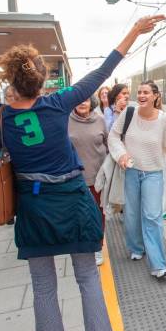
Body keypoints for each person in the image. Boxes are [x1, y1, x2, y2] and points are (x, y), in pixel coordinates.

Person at [0, 15, 164, 331]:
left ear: (11, 80)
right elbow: (103, 71)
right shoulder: (57, 104)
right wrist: (134, 30)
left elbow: (0, 152)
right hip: (73, 202)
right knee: (88, 279)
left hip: (34, 209)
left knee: (42, 289)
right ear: (41, 80)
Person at [108, 80, 166, 279]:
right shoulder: (129, 113)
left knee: (152, 216)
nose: (141, 95)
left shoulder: (164, 119)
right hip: (131, 171)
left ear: (155, 96)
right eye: (139, 92)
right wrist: (121, 154)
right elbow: (113, 136)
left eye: (146, 92)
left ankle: (158, 264)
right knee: (132, 214)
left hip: (153, 174)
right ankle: (136, 247)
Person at [69, 96, 109, 266]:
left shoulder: (100, 120)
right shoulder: (65, 120)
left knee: (97, 215)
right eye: (78, 100)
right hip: (73, 178)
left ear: (91, 102)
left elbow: (108, 144)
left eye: (85, 100)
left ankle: (97, 247)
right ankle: (81, 245)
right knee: (78, 215)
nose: (82, 102)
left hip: (97, 177)